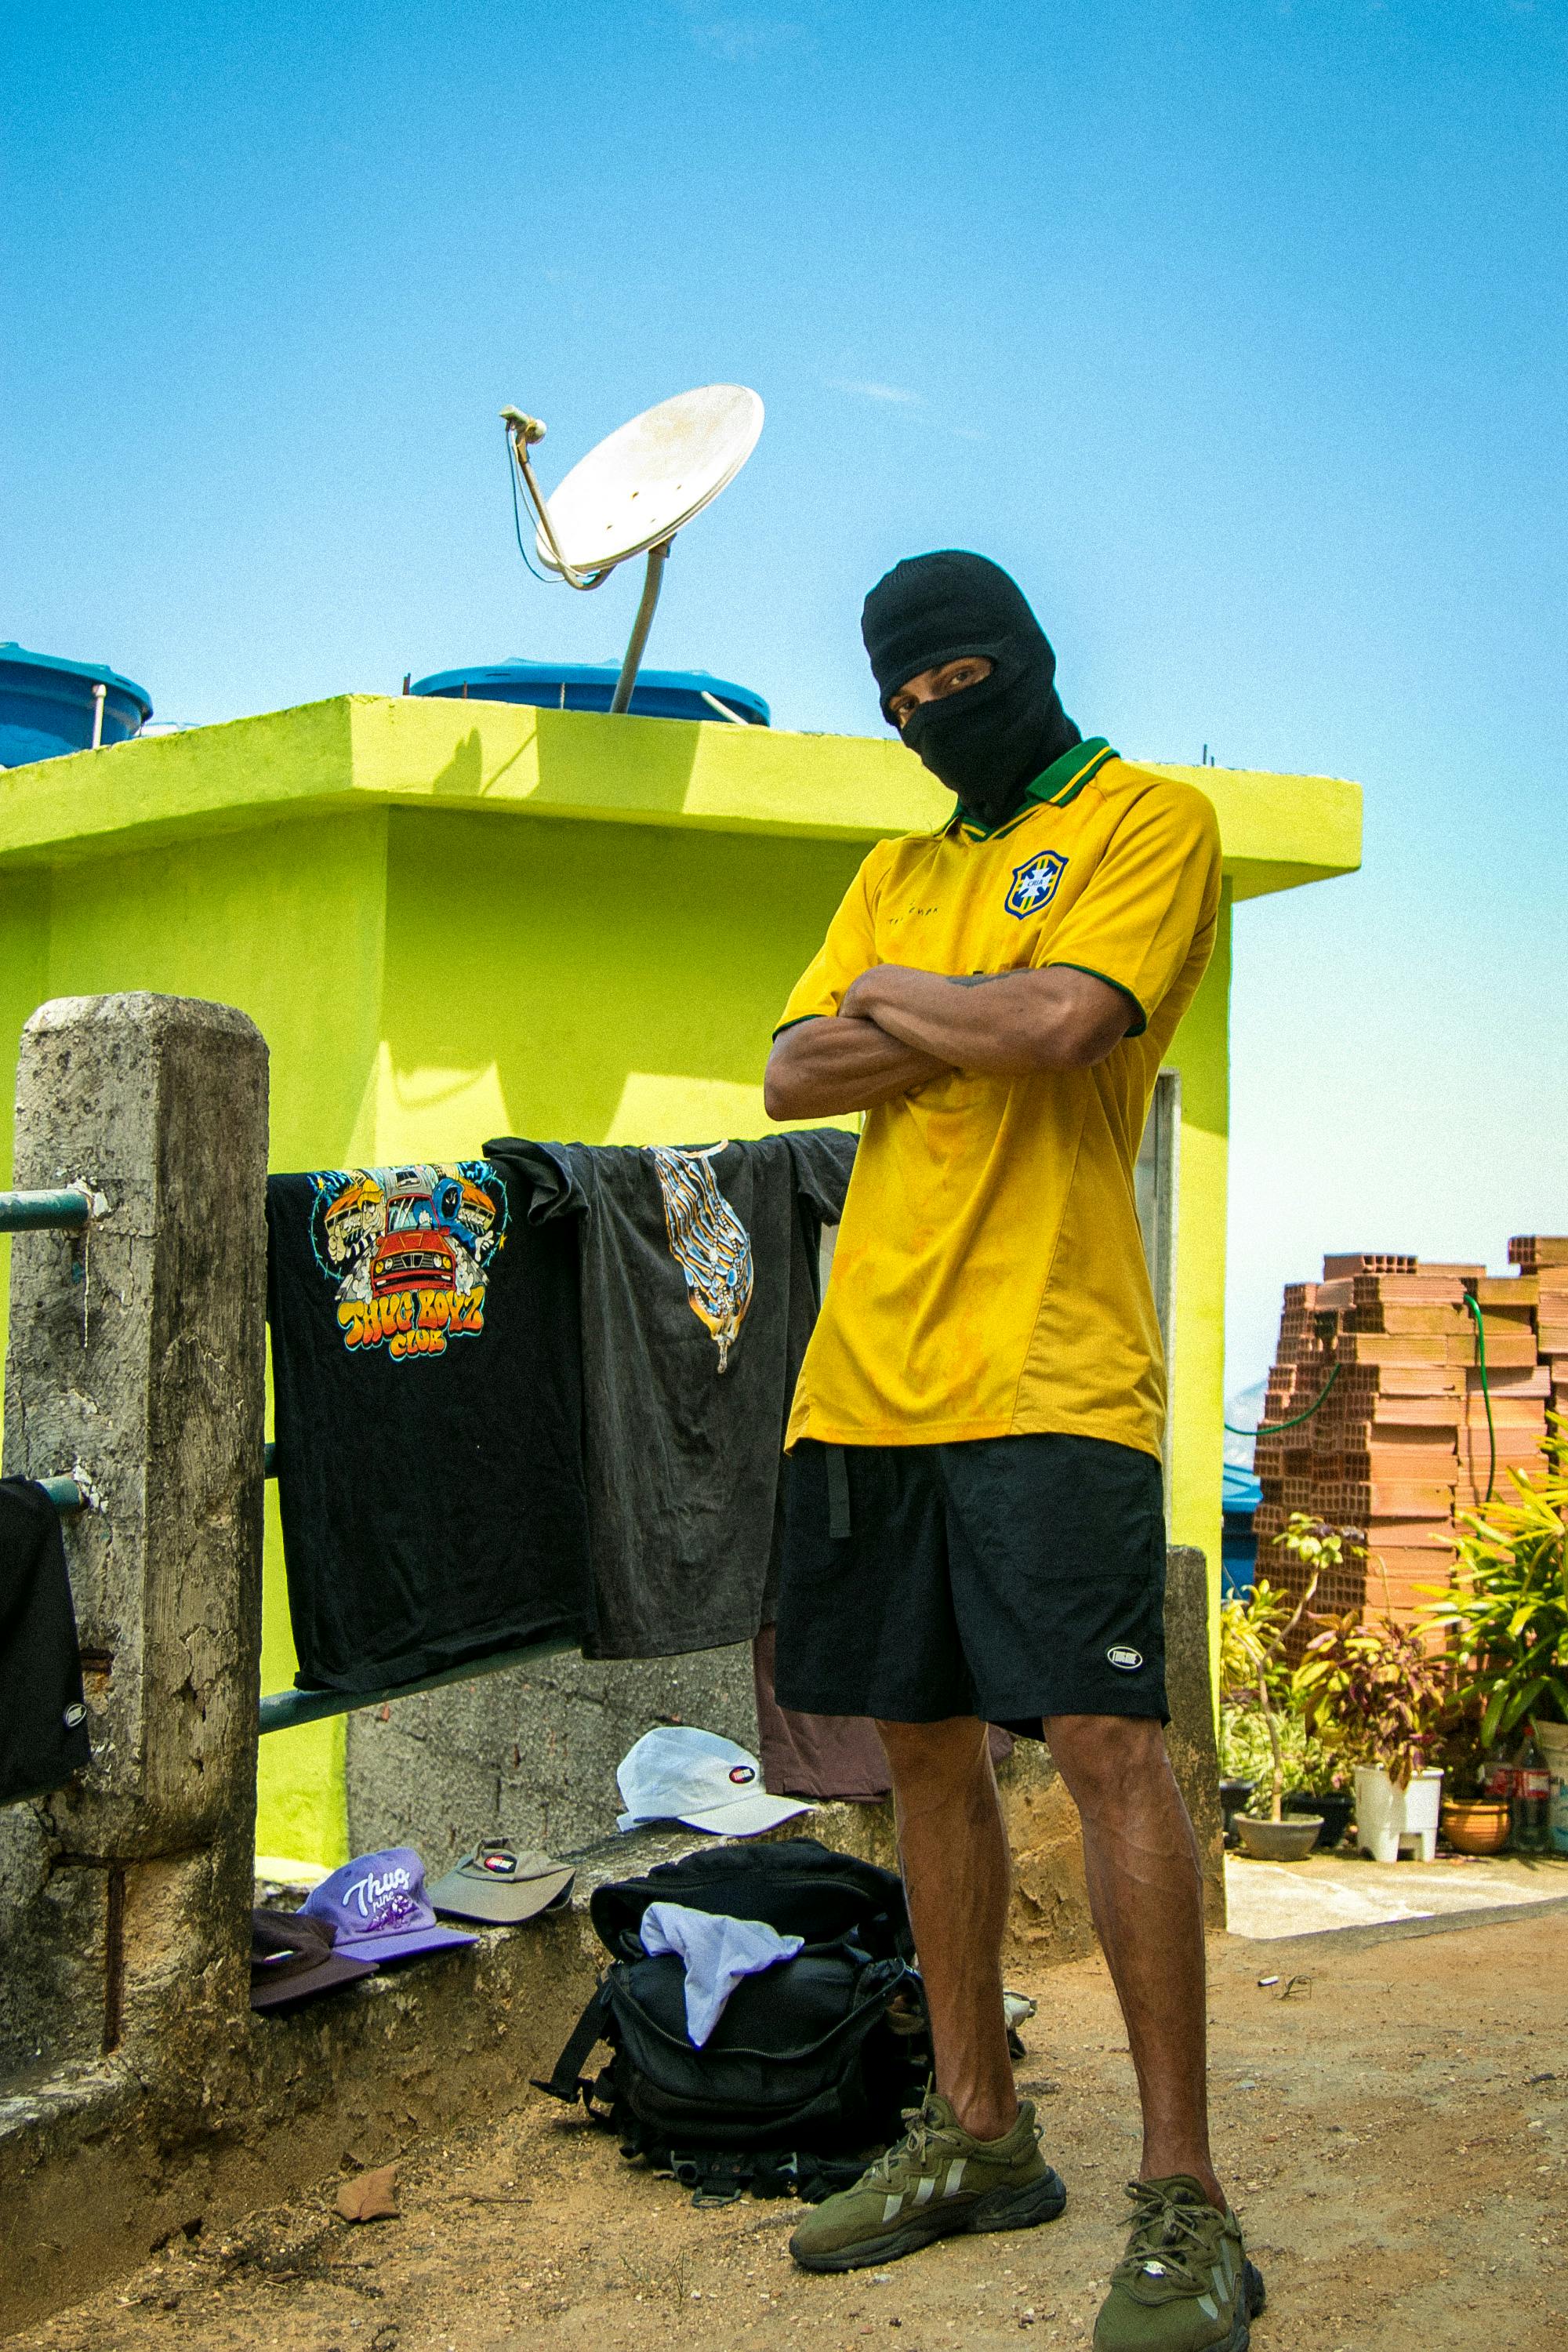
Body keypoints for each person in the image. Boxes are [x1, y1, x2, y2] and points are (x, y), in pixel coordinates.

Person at [764, 552, 1262, 2352]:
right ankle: (982, 2137)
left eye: (956, 677)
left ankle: (1187, 2201)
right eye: (898, 697)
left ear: (1027, 662)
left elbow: (1066, 1028)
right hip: (867, 1380)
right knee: (919, 1753)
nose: (927, 714)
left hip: (1053, 1368)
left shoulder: (1150, 820)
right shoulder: (896, 871)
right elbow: (786, 1076)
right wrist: (928, 996)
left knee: (1111, 1752)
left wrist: (894, 1004)